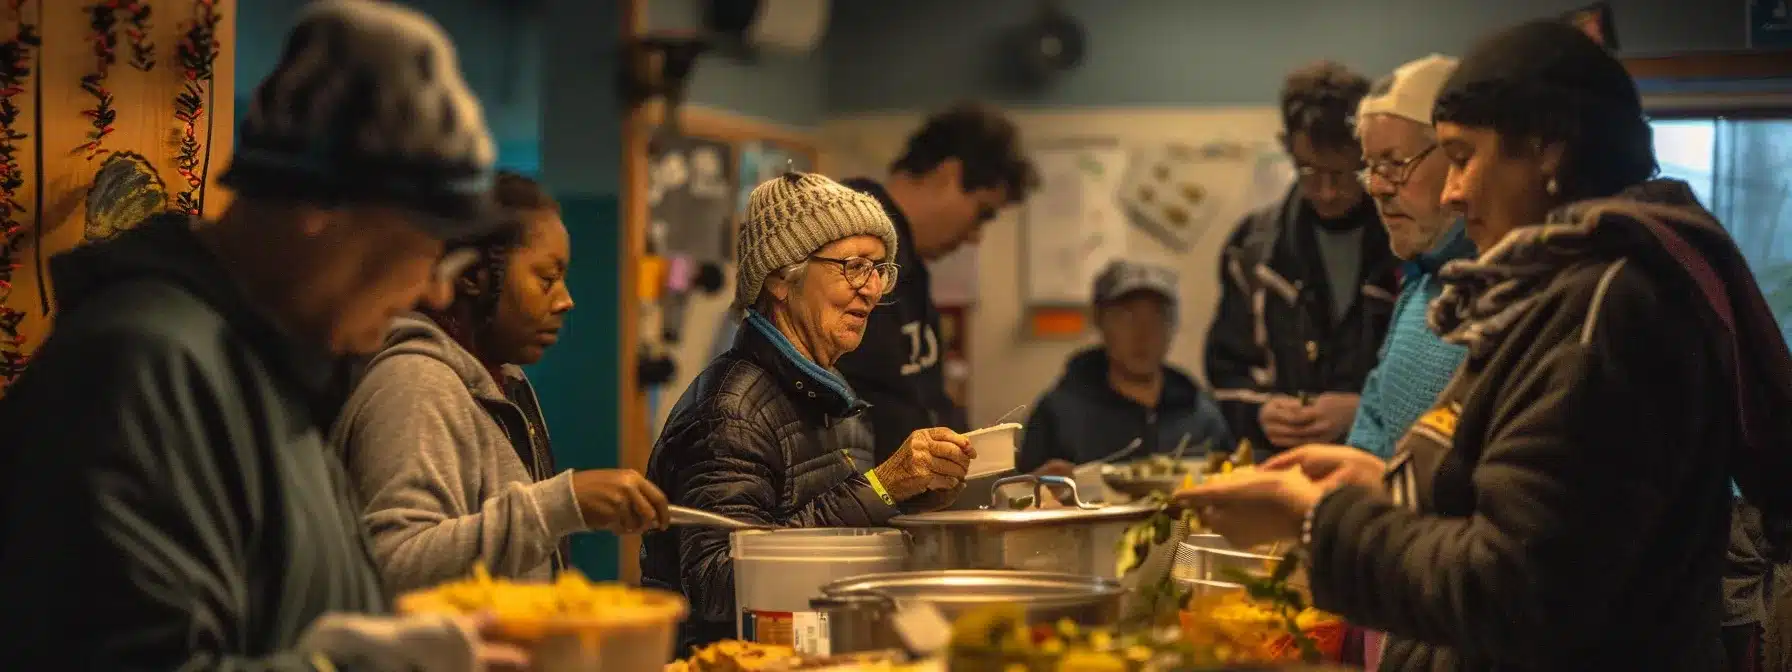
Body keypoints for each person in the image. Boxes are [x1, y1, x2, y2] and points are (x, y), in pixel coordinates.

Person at [1176, 21, 1792, 671]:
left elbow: (1513, 591)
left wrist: (1318, 520)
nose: (1451, 190)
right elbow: (1505, 498)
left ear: (1549, 150)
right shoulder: (1551, 293)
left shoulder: (1609, 313)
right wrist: (1377, 484)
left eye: (1463, 156)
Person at [0, 2, 531, 669]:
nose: (436, 291)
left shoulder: (269, 367)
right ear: (321, 206)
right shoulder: (140, 369)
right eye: (429, 249)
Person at [643, 172, 975, 652]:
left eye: (881, 268)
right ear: (780, 276)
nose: (873, 289)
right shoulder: (730, 411)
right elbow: (719, 587)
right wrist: (881, 487)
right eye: (855, 266)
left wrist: (909, 499)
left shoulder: (834, 392)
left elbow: (829, 528)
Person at [334, 171, 671, 594]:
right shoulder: (417, 384)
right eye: (547, 279)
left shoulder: (502, 382)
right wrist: (559, 507)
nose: (566, 300)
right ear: (473, 275)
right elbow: (395, 565)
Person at [1205, 61, 1399, 459]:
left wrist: (1364, 409)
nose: (1327, 192)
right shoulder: (1251, 249)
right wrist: (1260, 413)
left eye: (1343, 174)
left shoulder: (1408, 241)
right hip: (1282, 470)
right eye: (1309, 172)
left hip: (1380, 471)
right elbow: (1225, 376)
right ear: (1287, 148)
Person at [836, 102, 1038, 459]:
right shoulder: (850, 239)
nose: (976, 236)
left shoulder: (910, 264)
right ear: (948, 175)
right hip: (859, 500)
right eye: (982, 213)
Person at [1342, 53, 1473, 462]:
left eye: (1395, 164)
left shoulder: (1506, 291)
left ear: (1459, 158)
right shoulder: (1421, 281)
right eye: (1370, 166)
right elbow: (1375, 422)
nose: (1376, 188)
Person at [1020, 260, 1231, 475]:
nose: (1144, 333)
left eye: (1158, 317)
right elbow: (1017, 497)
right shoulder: (1058, 414)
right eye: (1127, 316)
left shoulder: (1201, 414)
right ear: (1099, 320)